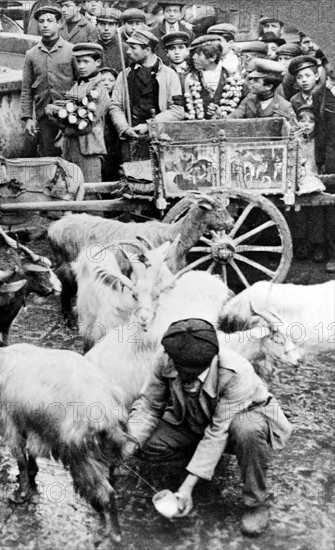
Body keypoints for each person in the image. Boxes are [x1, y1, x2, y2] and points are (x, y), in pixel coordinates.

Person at [124, 318, 293, 537]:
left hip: (239, 419)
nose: (183, 377)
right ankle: (198, 464)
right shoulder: (167, 356)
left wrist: (186, 488)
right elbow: (150, 405)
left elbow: (217, 432)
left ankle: (256, 501)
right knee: (144, 442)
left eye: (191, 375)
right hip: (193, 418)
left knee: (247, 429)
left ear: (211, 360)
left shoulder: (236, 371)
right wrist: (127, 444)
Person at [109, 28, 184, 155]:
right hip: (131, 141)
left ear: (148, 50)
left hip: (161, 140)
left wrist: (149, 126)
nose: (128, 51)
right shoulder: (124, 75)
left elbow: (177, 110)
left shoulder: (170, 75)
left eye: (133, 48)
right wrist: (124, 128)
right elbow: (115, 106)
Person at [47, 43, 109, 182]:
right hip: (69, 147)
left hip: (88, 150)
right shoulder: (79, 84)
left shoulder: (99, 90)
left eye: (86, 62)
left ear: (98, 62)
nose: (81, 66)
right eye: (78, 61)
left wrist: (58, 120)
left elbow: (86, 126)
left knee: (89, 193)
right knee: (68, 190)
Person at [20, 5, 77, 157]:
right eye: (41, 21)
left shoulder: (71, 51)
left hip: (70, 115)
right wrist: (27, 118)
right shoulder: (31, 54)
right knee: (47, 155)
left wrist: (76, 109)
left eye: (50, 21)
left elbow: (81, 82)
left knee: (71, 155)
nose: (45, 25)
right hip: (44, 116)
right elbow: (26, 89)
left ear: (60, 24)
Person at [287, 105, 326, 262]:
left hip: (316, 180)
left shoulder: (320, 140)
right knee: (298, 213)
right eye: (302, 120)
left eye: (311, 121)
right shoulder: (295, 141)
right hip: (299, 181)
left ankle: (318, 245)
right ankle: (301, 243)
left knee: (317, 213)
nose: (306, 125)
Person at [184, 35, 246, 120]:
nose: (194, 57)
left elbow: (243, 108)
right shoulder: (191, 79)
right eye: (193, 54)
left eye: (198, 54)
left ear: (213, 57)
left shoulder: (233, 78)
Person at [312, 63, 335, 272]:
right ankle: (333, 254)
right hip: (331, 155)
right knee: (332, 207)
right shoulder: (321, 94)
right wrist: (319, 160)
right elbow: (319, 130)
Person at [226, 59, 295, 121]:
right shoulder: (249, 99)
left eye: (256, 80)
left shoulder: (284, 106)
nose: (251, 82)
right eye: (252, 79)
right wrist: (219, 114)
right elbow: (233, 117)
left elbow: (291, 129)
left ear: (269, 86)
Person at [99, 67, 120, 180]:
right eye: (103, 80)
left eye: (111, 80)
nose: (106, 83)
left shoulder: (117, 101)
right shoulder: (93, 99)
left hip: (113, 140)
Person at [95, 7, 128, 73]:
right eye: (102, 24)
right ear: (96, 25)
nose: (106, 28)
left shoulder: (125, 49)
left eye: (111, 24)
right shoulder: (91, 48)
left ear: (117, 26)